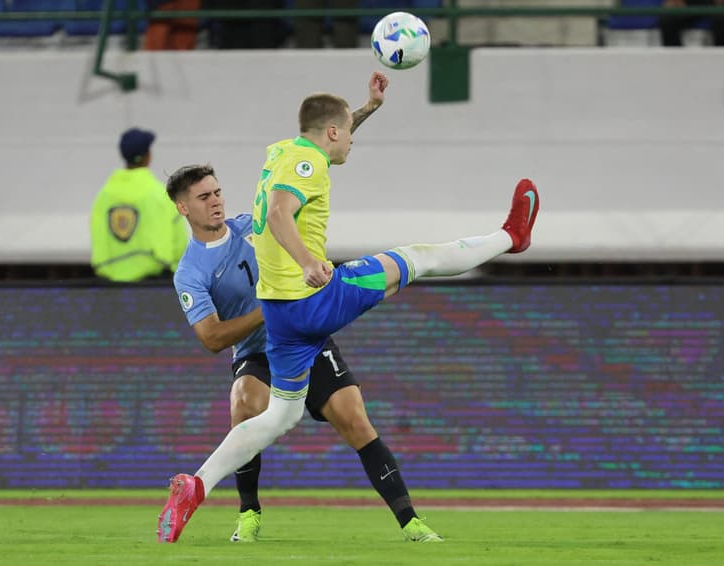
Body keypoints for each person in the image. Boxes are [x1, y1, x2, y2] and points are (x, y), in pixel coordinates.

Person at [157, 71, 540, 543]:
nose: (351, 144)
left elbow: (326, 137)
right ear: (332, 134)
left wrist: (368, 109)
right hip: (314, 299)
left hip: (282, 320)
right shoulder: (304, 168)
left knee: (281, 415)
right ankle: (511, 237)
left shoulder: (282, 152)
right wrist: (309, 263)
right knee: (419, 259)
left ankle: (196, 484)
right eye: (349, 135)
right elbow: (279, 212)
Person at [163, 162, 442, 543]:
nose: (216, 202)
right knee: (245, 401)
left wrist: (352, 124)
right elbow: (212, 338)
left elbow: (307, 175)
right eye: (204, 197)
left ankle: (411, 522)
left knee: (355, 418)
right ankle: (249, 514)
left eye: (217, 192)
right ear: (183, 208)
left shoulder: (251, 226)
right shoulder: (190, 271)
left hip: (306, 338)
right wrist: (269, 310)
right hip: (257, 353)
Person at [90, 128, 188, 282]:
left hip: (110, 287)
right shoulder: (160, 195)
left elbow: (98, 238)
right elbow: (179, 243)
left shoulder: (104, 196)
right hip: (154, 286)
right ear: (148, 156)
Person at [659, 0, 724, 47]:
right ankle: (674, 59)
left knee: (720, 20)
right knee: (667, 20)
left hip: (714, 3)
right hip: (687, 2)